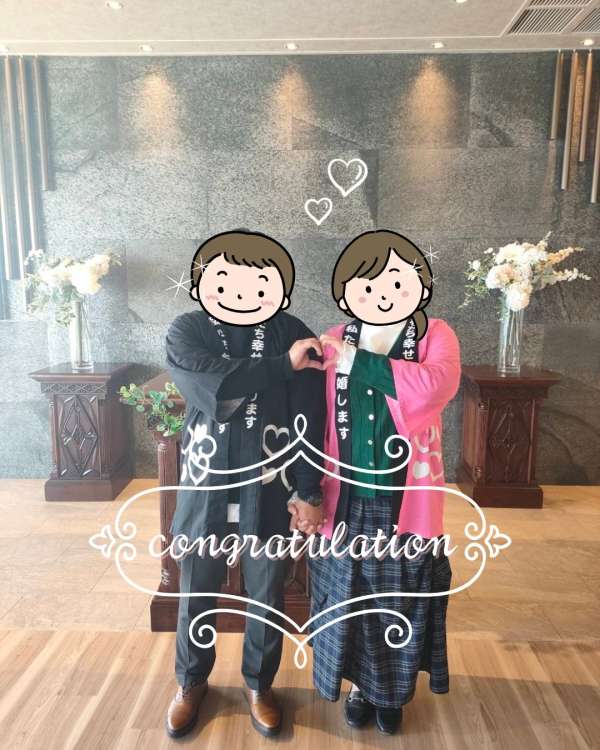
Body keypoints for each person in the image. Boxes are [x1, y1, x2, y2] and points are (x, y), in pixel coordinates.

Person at [164, 229, 326, 739]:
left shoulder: (291, 331)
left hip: (271, 481)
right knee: (196, 588)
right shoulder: (187, 330)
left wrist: (309, 490)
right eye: (225, 281)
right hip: (206, 481)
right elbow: (215, 385)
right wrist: (280, 366)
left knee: (267, 592)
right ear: (201, 283)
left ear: (281, 288)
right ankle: (191, 682)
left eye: (259, 284)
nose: (242, 293)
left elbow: (309, 415)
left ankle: (260, 684)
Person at [309, 229, 461, 735]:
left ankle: (391, 694)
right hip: (346, 494)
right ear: (346, 293)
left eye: (397, 282)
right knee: (349, 595)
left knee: (399, 597)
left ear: (420, 285)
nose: (382, 294)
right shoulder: (334, 336)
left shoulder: (435, 335)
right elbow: (315, 411)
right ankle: (360, 687)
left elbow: (435, 385)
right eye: (367, 286)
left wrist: (357, 361)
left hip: (404, 497)